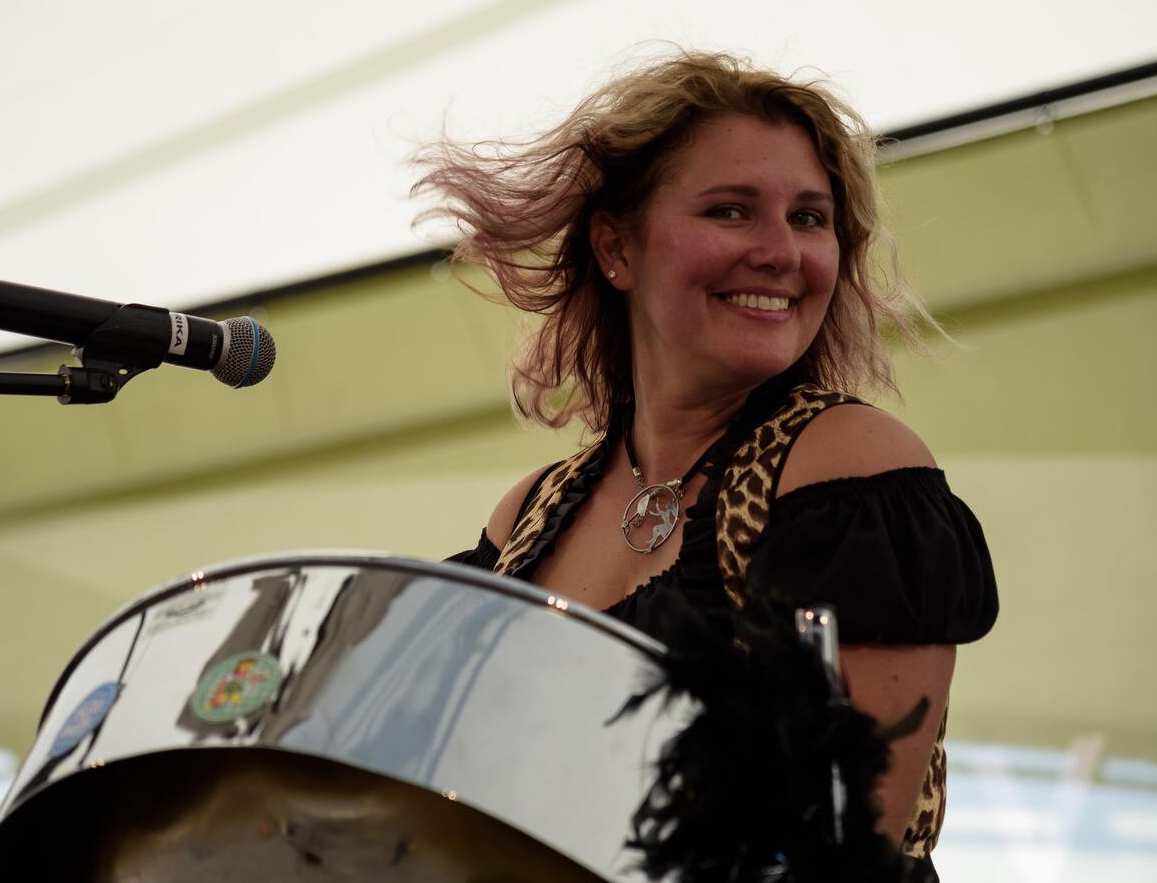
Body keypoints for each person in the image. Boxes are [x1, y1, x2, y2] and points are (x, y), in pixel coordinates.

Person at [415, 50, 998, 876]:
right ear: (617, 248)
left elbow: (840, 850)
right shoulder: (527, 520)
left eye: (809, 218)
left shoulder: (847, 466)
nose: (780, 252)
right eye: (731, 211)